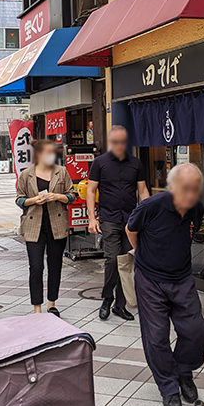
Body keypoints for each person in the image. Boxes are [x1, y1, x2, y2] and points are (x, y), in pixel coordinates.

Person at [125, 163, 204, 406]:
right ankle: (168, 387)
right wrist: (143, 254)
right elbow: (131, 230)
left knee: (195, 328)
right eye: (185, 188)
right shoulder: (152, 206)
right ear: (172, 187)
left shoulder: (197, 209)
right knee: (157, 335)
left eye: (195, 189)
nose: (191, 194)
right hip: (150, 279)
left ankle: (184, 373)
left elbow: (189, 235)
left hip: (181, 277)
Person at [87, 125, 149, 321]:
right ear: (110, 142)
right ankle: (107, 298)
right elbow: (90, 191)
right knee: (112, 259)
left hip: (130, 220)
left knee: (126, 262)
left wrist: (147, 216)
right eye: (115, 142)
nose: (119, 145)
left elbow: (143, 191)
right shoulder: (99, 163)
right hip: (109, 218)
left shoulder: (136, 163)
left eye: (122, 142)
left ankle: (120, 305)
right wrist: (91, 218)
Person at [15, 139, 77, 317]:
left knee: (55, 265)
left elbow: (72, 195)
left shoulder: (61, 172)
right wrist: (34, 200)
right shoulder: (27, 174)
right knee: (36, 267)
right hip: (33, 225)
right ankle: (37, 308)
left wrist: (58, 196)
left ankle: (52, 304)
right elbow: (19, 199)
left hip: (56, 224)